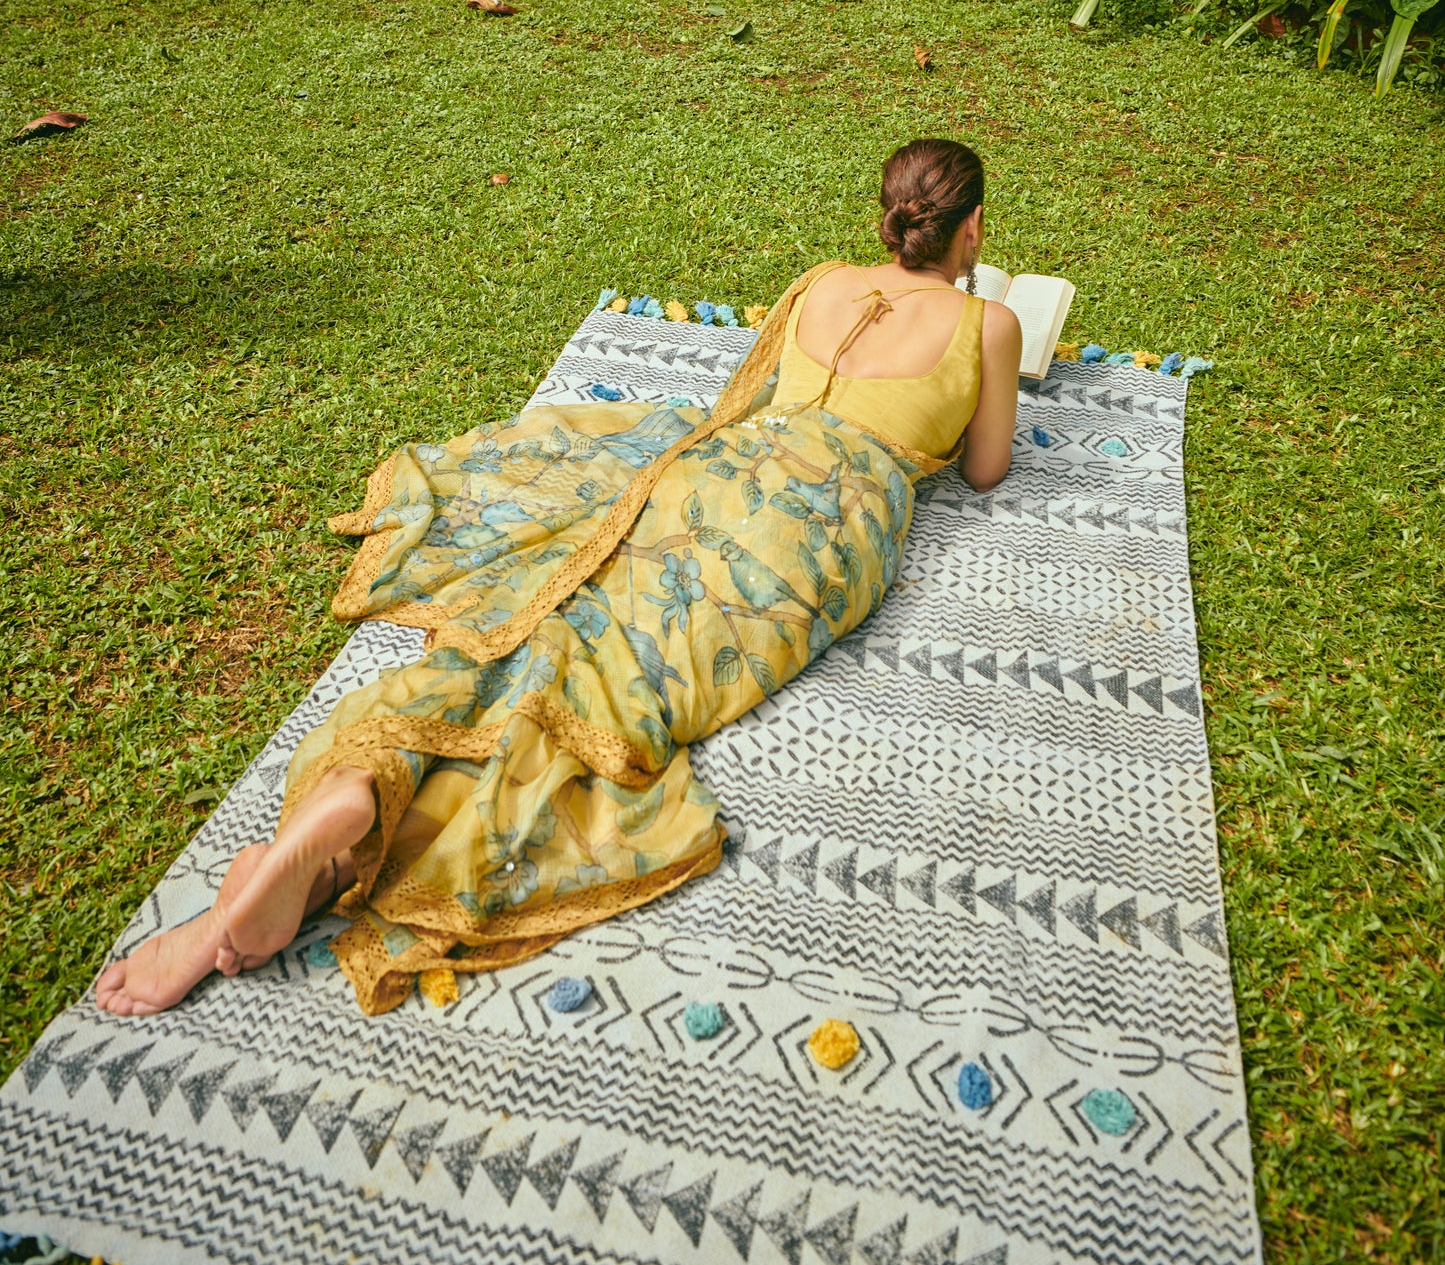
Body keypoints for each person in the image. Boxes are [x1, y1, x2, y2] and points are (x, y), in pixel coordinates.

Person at [98, 138, 1021, 1019]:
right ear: (970, 228)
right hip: (819, 527)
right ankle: (341, 859)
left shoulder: (821, 284)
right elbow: (984, 470)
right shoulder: (991, 321)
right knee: (629, 685)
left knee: (556, 619)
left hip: (705, 477)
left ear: (886, 217)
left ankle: (351, 807)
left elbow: (750, 398)